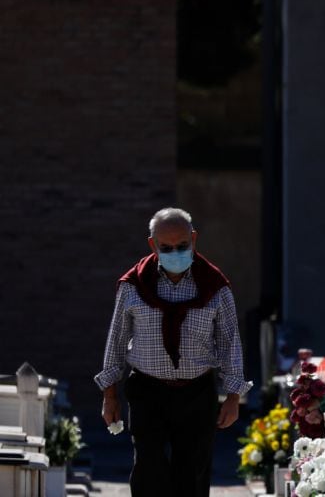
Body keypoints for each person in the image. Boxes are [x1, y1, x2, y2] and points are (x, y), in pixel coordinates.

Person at [94, 207, 251, 496]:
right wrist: (110, 395)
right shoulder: (133, 286)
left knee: (191, 474)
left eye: (182, 246)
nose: (175, 252)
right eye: (166, 248)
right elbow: (116, 340)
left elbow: (230, 343)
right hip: (147, 390)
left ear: (194, 240)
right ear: (153, 245)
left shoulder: (215, 287)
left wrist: (232, 397)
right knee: (148, 469)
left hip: (197, 392)